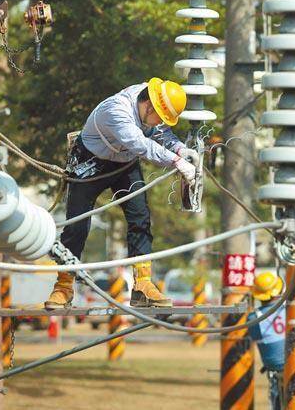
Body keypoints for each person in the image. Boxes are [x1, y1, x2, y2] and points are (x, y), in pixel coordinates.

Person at [45, 78, 198, 309]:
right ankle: (64, 286)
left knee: (140, 218)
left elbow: (161, 133)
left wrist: (180, 149)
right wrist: (176, 161)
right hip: (91, 162)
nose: (160, 123)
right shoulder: (116, 110)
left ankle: (143, 285)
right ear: (149, 107)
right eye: (159, 117)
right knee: (77, 225)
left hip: (125, 163)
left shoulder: (152, 102)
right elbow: (141, 145)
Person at [247, 272, 286, 410]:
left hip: (275, 368)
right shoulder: (289, 308)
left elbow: (257, 338)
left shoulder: (254, 317)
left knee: (278, 403)